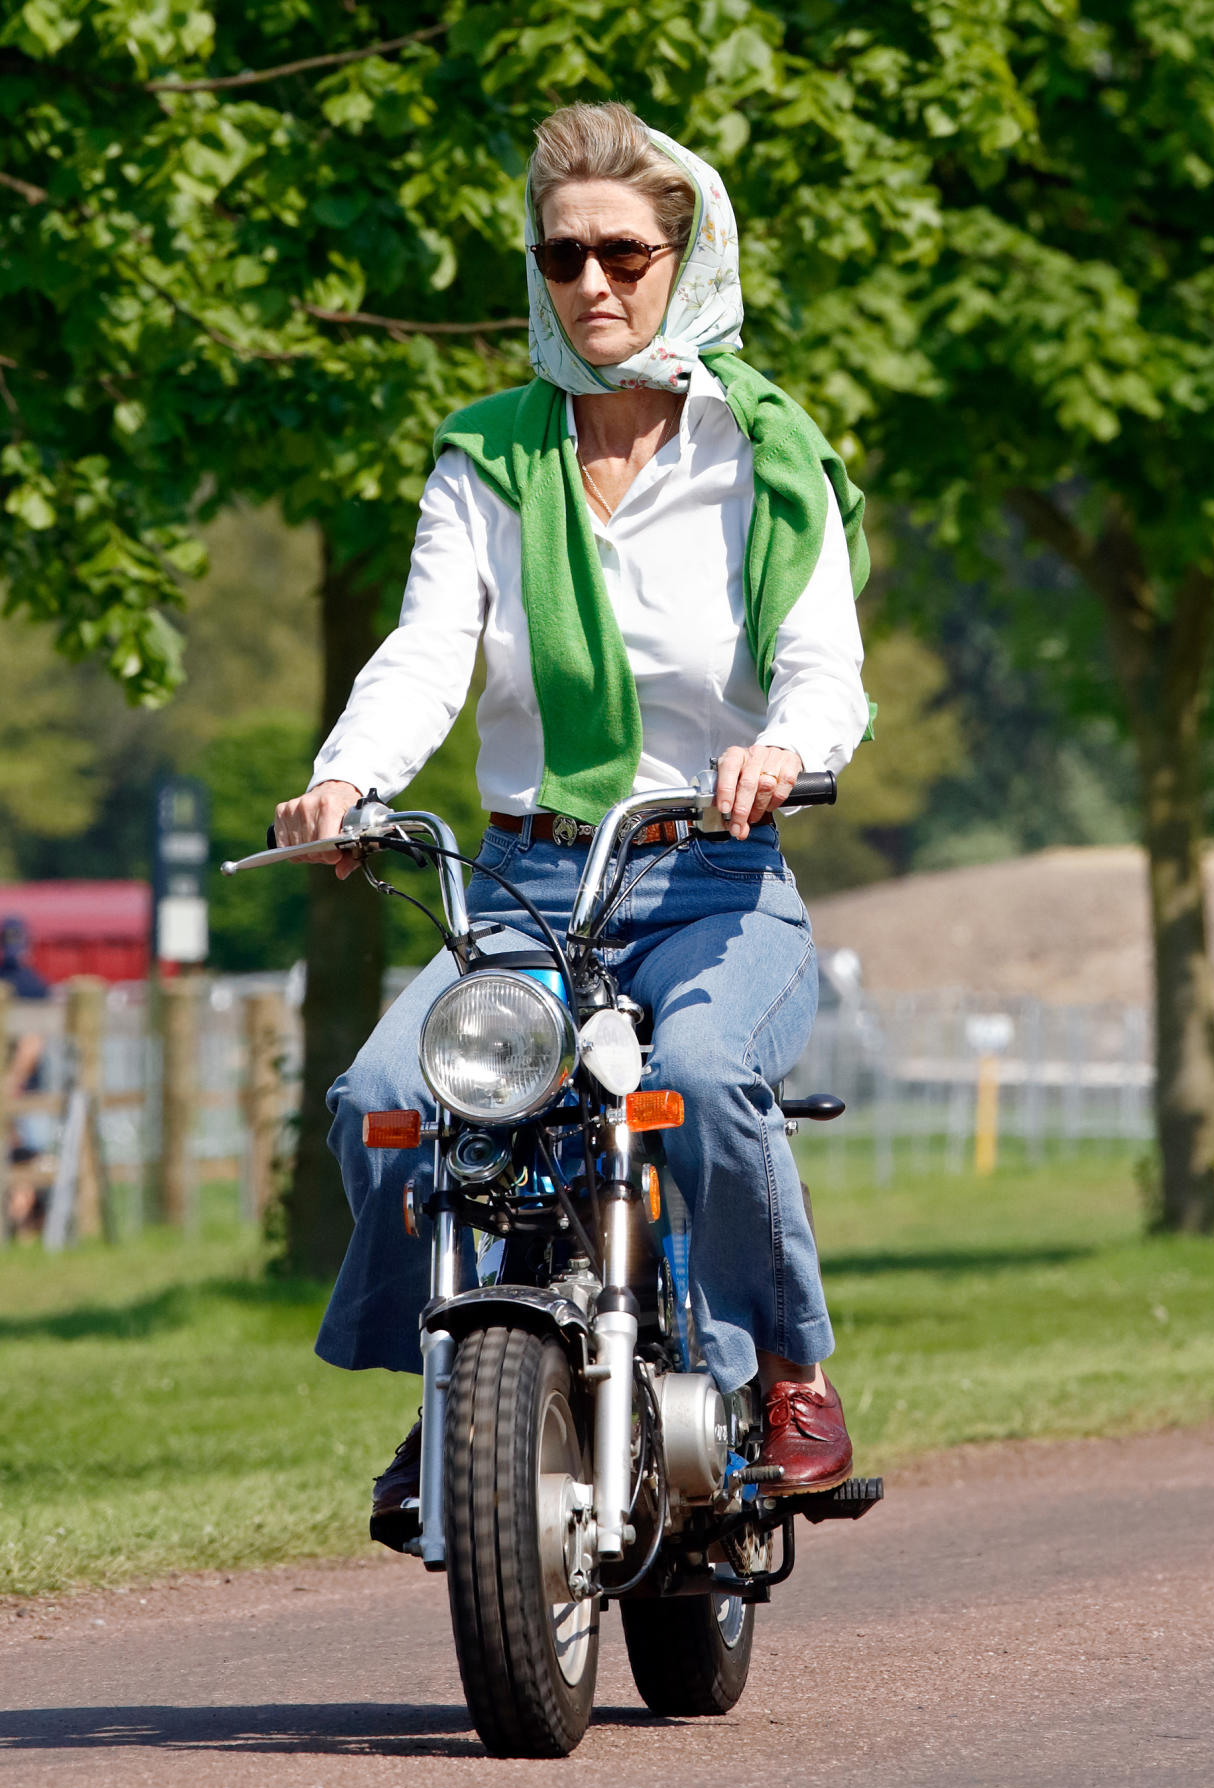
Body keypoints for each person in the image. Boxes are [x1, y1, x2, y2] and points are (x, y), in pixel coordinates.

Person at [274, 103, 872, 1536]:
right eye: (561, 256)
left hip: (714, 881)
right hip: (530, 888)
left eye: (623, 252)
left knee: (713, 1082)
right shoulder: (486, 455)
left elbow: (824, 664)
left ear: (689, 258)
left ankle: (783, 1371)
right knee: (379, 1101)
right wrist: (346, 776)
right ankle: (455, 1403)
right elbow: (427, 647)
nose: (591, 285)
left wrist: (781, 749)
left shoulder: (766, 454)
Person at [1, 915, 53, 1238]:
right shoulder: (36, 984)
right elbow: (34, 1045)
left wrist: (7, 1085)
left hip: (15, 1089)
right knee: (30, 1160)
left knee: (20, 1160)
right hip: (28, 1090)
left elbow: (29, 1046)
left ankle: (19, 1225)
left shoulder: (13, 983)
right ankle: (22, 1226)